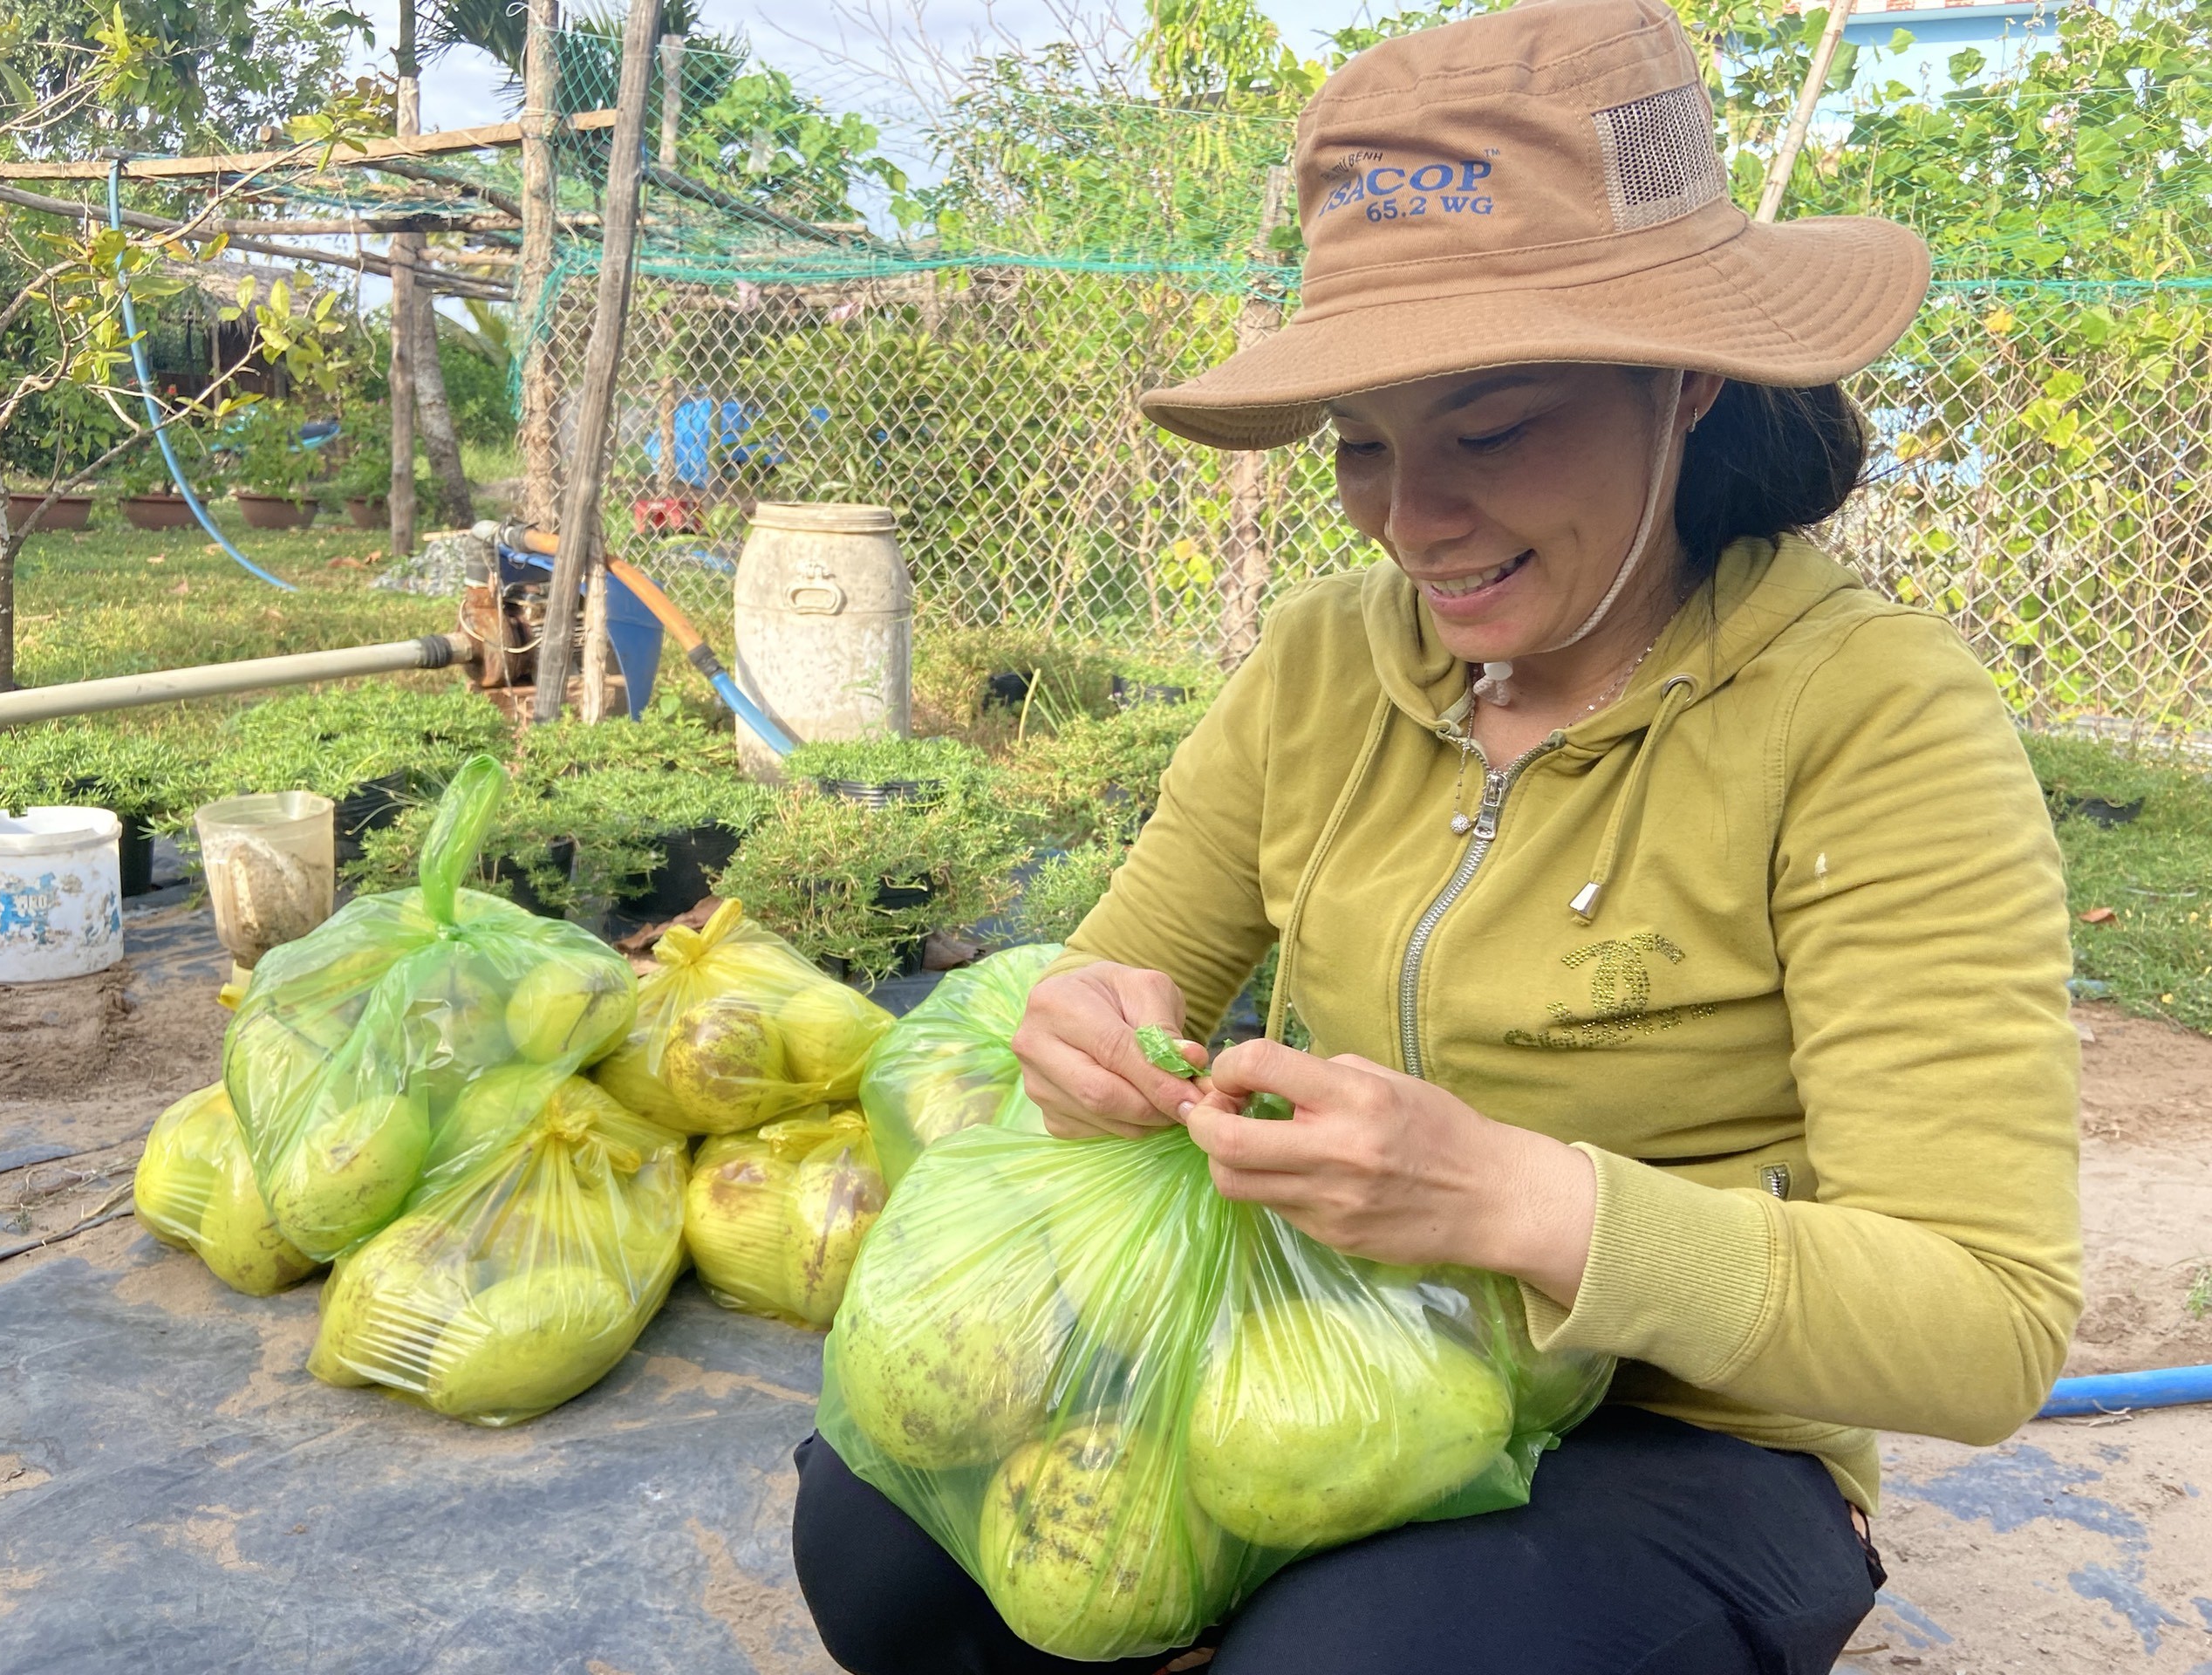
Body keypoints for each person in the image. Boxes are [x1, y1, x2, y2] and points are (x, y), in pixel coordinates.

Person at [792, 0, 2082, 1667]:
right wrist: (1086, 1028)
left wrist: (1515, 1202)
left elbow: (1987, 1321)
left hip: (1689, 1432)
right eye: (1365, 449)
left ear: (1683, 384)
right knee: (878, 1539)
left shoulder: (1866, 715)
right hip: (1321, 1354)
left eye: (1489, 431)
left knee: (1358, 1657)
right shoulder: (1329, 658)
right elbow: (1125, 967)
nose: (1414, 521)